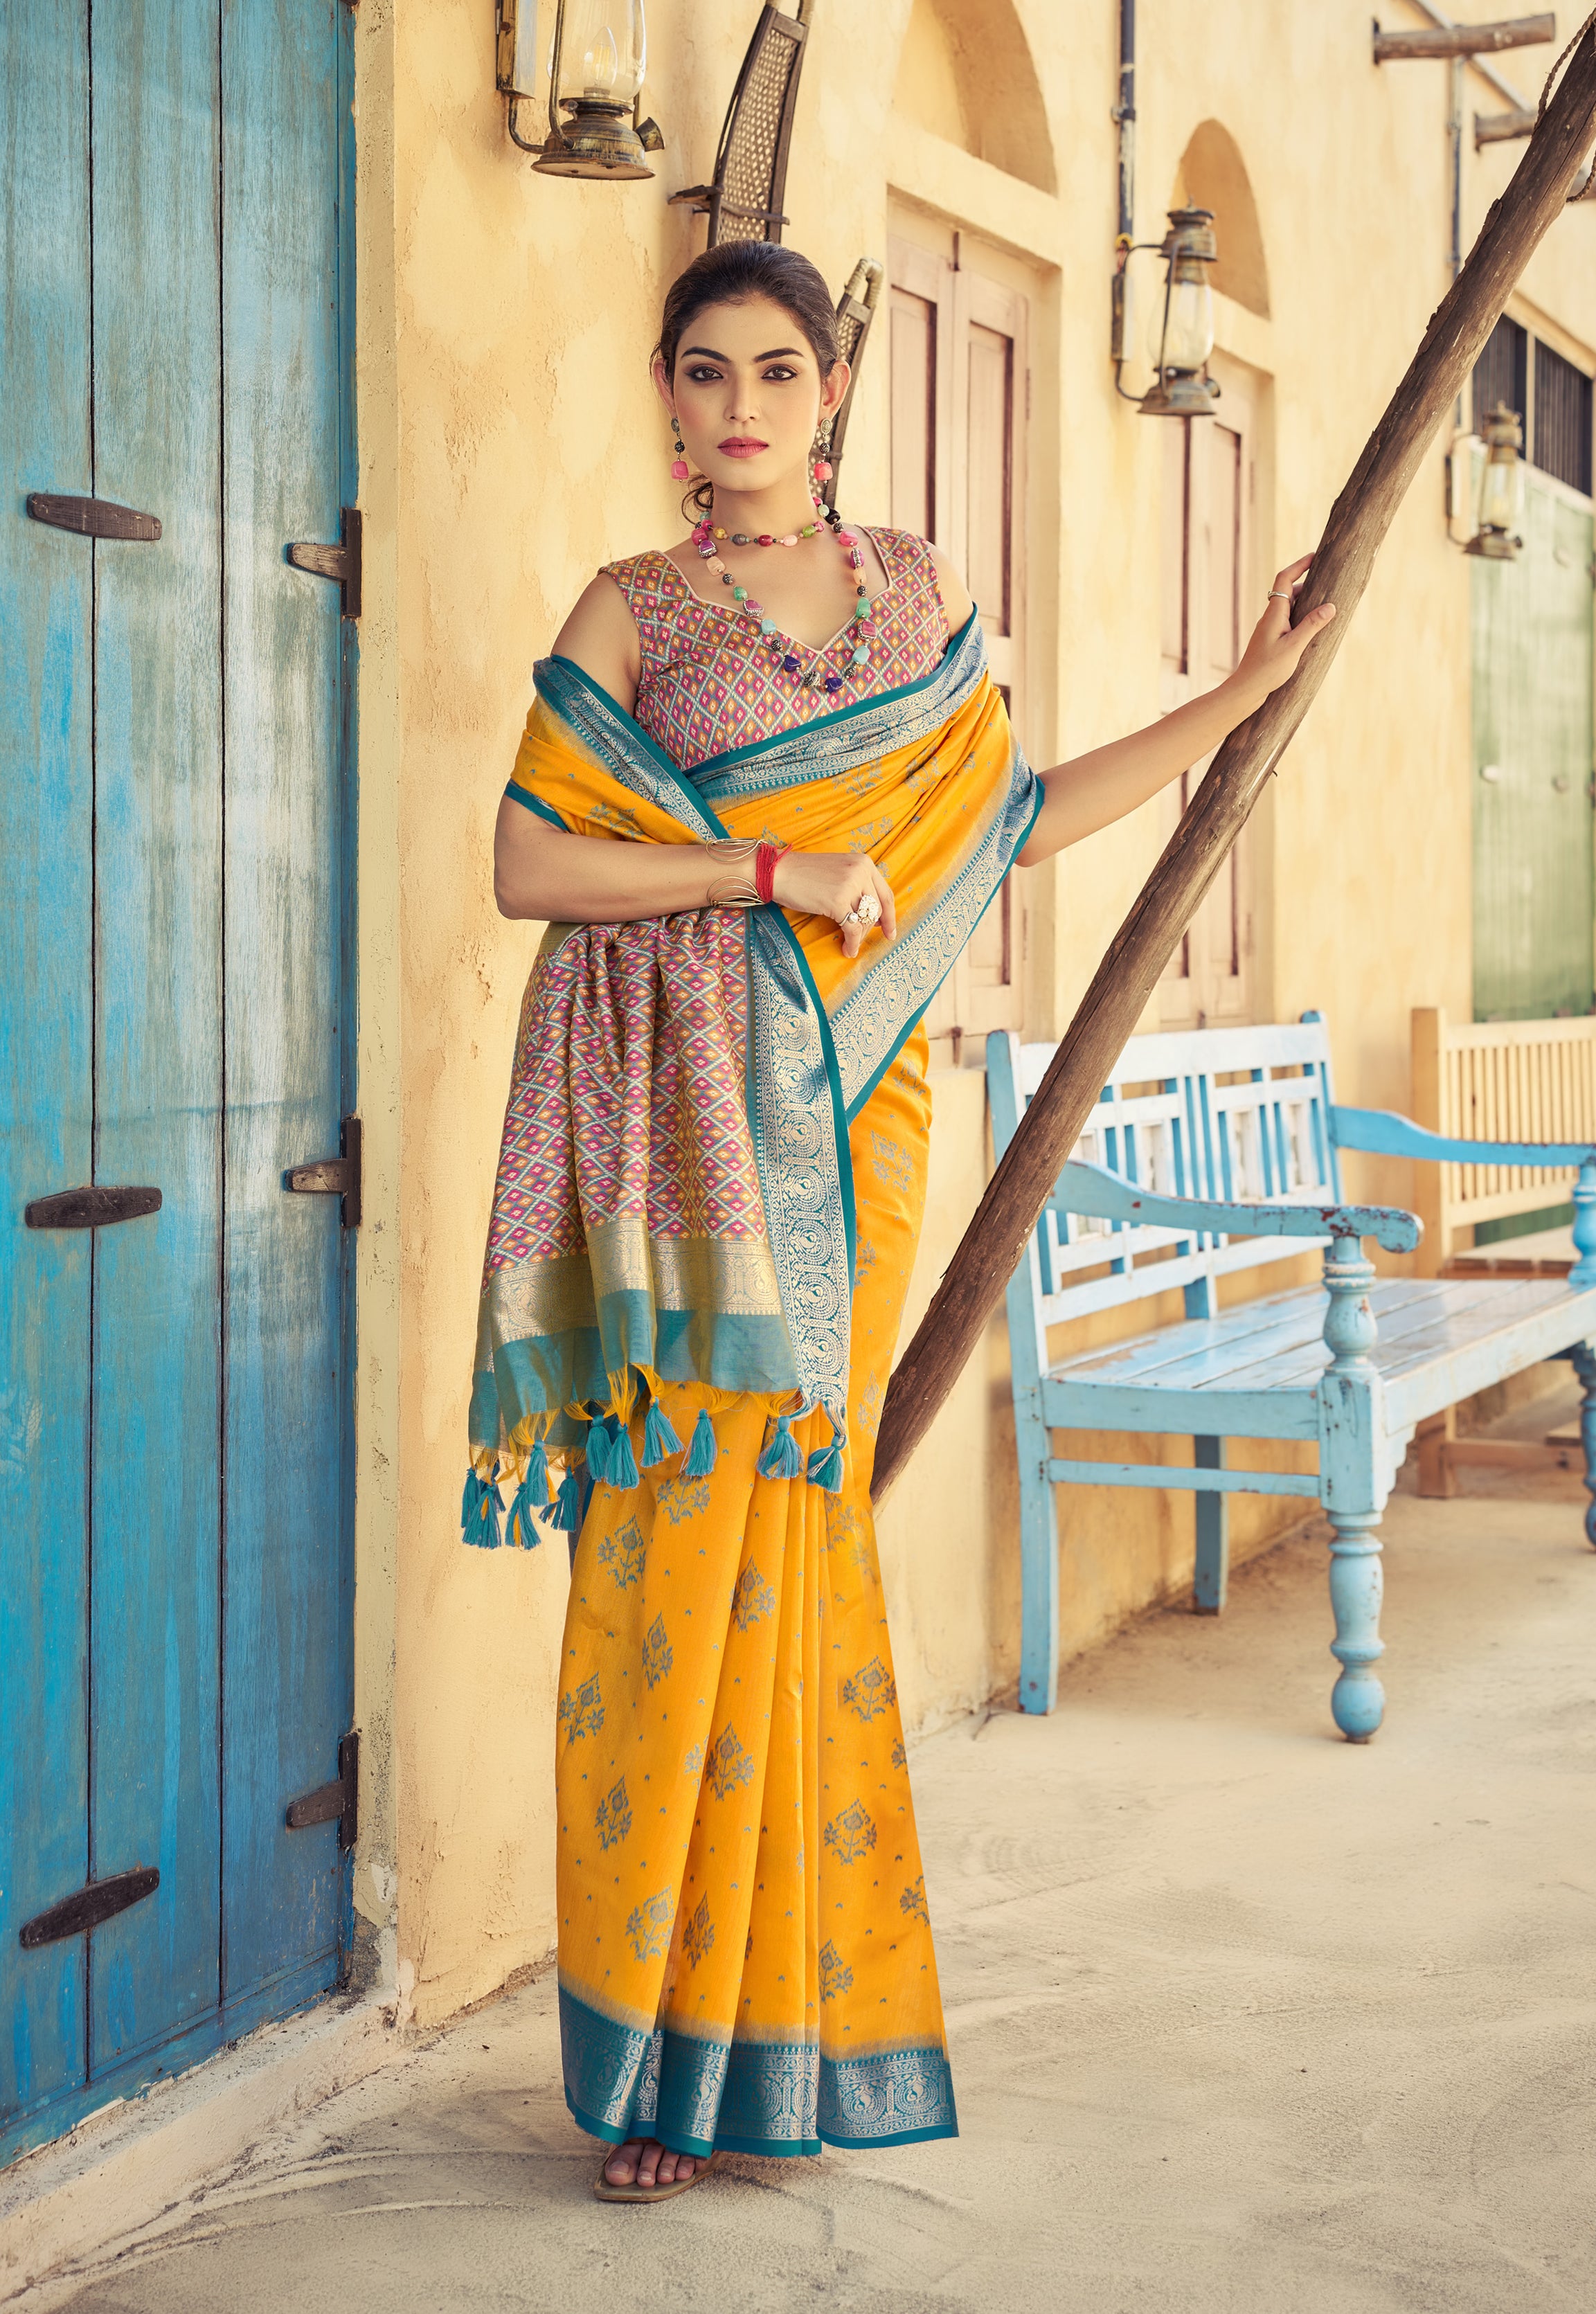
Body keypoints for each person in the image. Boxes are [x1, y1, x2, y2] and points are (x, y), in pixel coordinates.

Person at [468, 239, 1334, 2203]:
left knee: (800, 1563)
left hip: (849, 1130)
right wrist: (762, 859)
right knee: (668, 1574)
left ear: (836, 388)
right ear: (670, 397)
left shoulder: (919, 596)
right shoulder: (633, 611)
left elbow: (1009, 816)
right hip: (681, 1150)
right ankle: (654, 2069)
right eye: (705, 372)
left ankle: (775, 2043)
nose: (742, 405)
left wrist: (1241, 689)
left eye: (778, 368)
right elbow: (530, 857)